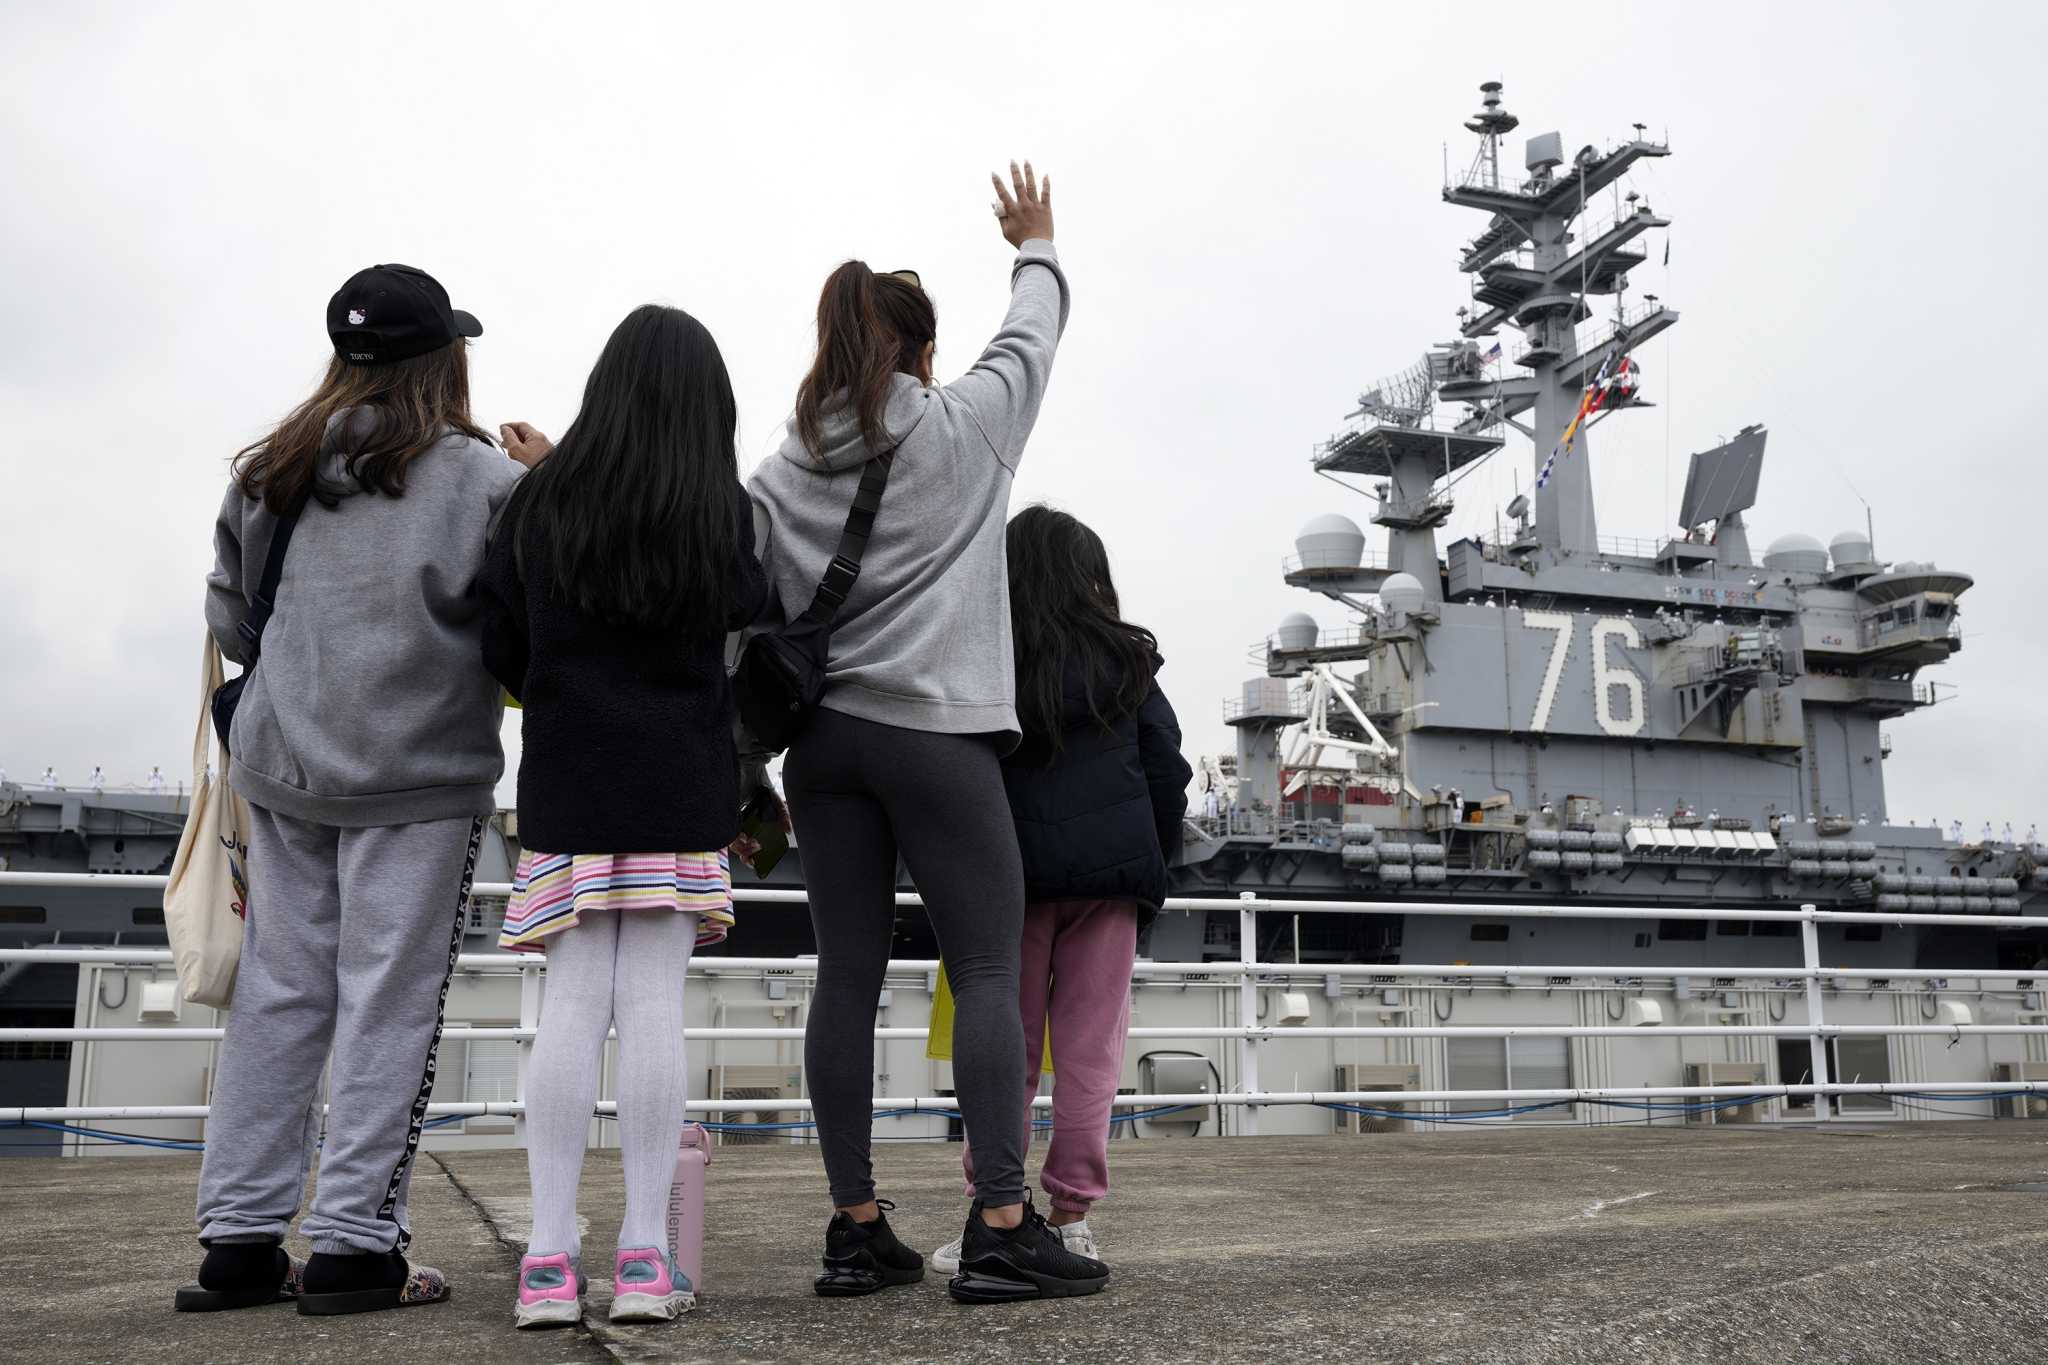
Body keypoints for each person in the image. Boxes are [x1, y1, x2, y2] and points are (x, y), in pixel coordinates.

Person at [748, 161, 1101, 1304]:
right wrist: (1034, 240)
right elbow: (1033, 333)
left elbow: (721, 575)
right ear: (919, 353)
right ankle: (1001, 1224)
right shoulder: (962, 429)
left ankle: (856, 1229)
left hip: (825, 747)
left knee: (843, 976)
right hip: (936, 738)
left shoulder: (779, 471)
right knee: (988, 967)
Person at [183, 264, 531, 1317]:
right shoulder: (481, 480)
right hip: (418, 780)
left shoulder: (271, 469)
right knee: (390, 1006)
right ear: (446, 358)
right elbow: (524, 632)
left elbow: (232, 613)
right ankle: (352, 1248)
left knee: (277, 998)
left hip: (288, 768)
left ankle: (239, 1243)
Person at [477, 305, 765, 1330]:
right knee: (650, 1009)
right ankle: (645, 1256)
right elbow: (750, 604)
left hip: (567, 784)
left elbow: (494, 637)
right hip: (678, 787)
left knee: (568, 1007)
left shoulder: (538, 503)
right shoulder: (716, 509)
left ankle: (549, 1261)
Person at [929, 506, 1190, 1278]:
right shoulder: (1131, 663)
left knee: (1003, 1047)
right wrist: (1150, 861)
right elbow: (1167, 771)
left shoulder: (987, 662)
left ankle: (995, 1207)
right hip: (1108, 889)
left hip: (1007, 881)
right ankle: (1072, 1217)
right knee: (1090, 1054)